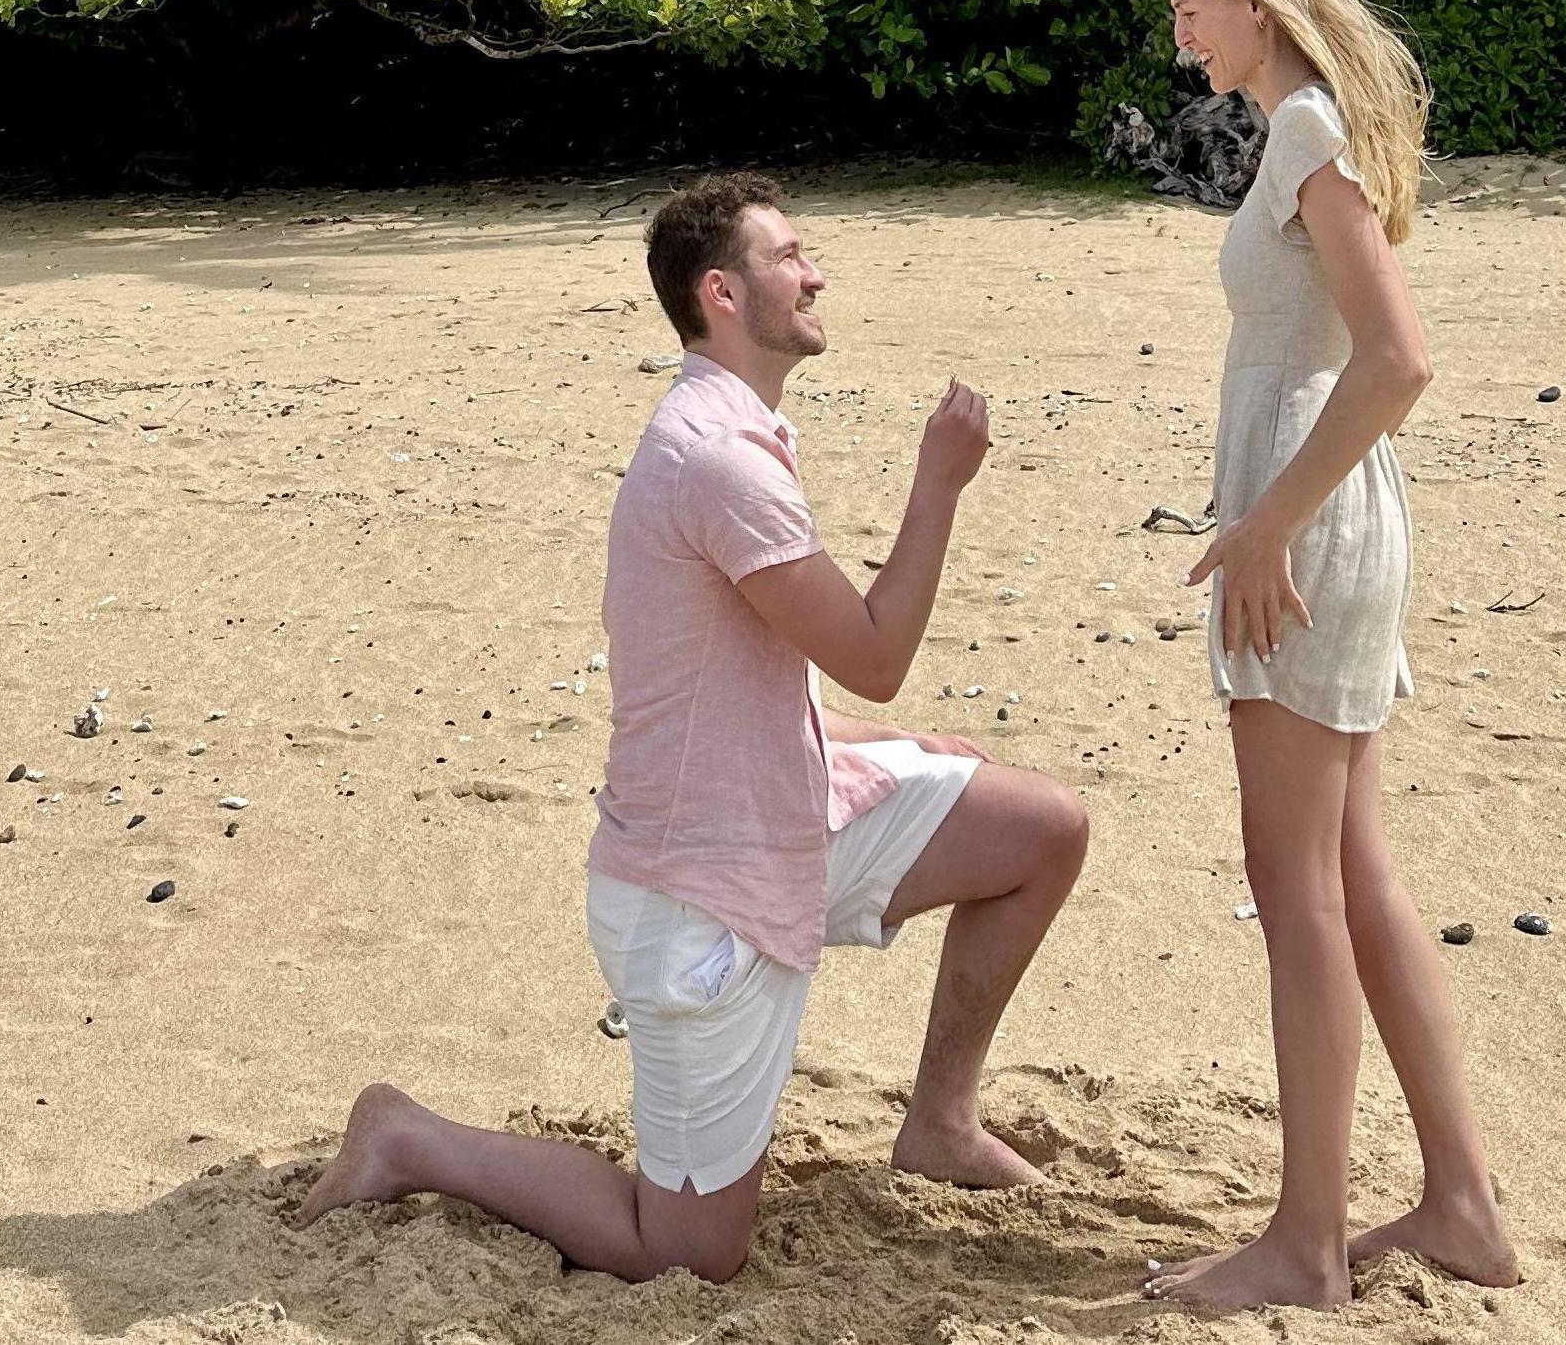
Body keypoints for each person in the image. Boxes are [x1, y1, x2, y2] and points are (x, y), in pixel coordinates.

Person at [301, 171, 1089, 1283]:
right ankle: (406, 1135)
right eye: (788, 256)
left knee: (1039, 826)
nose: (814, 272)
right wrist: (938, 483)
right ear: (721, 291)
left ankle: (940, 1124)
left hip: (792, 817)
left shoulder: (739, 426)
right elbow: (870, 646)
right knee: (683, 1254)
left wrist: (873, 746)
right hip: (698, 899)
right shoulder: (713, 453)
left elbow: (739, 673)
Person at [1139, 0, 1520, 1313]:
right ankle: (1460, 1204)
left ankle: (1303, 1240)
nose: (1177, 32)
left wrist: (1262, 525)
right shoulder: (1303, 122)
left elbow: (1398, 357)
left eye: (1190, 5)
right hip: (1315, 518)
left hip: (1303, 531)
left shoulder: (1301, 130)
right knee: (1350, 875)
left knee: (1296, 889)